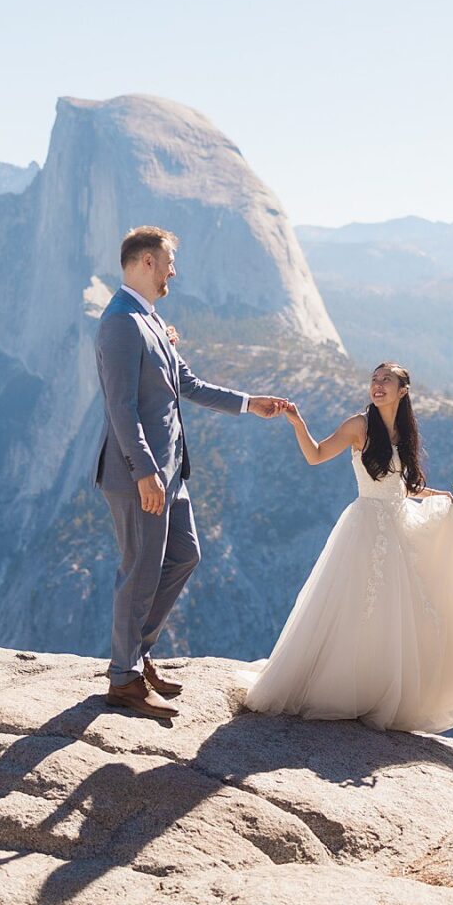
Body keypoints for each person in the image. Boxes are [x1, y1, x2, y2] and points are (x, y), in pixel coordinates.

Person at [241, 362, 453, 733]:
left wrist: (443, 497)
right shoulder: (358, 425)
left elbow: (402, 485)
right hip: (365, 526)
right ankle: (342, 688)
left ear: (402, 391)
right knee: (357, 606)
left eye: (386, 381)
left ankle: (378, 690)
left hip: (400, 524)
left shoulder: (405, 432)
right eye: (374, 380)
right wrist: (298, 422)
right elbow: (315, 455)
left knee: (401, 612)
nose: (377, 386)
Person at [94, 225, 288, 719]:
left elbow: (190, 384)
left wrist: (251, 404)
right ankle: (125, 680)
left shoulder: (150, 319)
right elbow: (121, 407)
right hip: (142, 474)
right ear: (144, 263)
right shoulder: (120, 322)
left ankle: (137, 657)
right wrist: (143, 471)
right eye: (168, 262)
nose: (173, 272)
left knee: (185, 555)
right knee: (139, 571)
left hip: (171, 474)